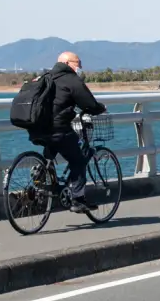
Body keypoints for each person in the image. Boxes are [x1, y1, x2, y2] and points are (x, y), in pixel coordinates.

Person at [32, 51, 106, 204]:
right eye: (77, 63)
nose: (80, 67)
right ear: (66, 63)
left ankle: (40, 177)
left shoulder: (45, 77)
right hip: (58, 129)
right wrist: (100, 108)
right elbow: (89, 103)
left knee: (51, 149)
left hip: (36, 127)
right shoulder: (72, 79)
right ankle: (77, 198)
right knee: (78, 160)